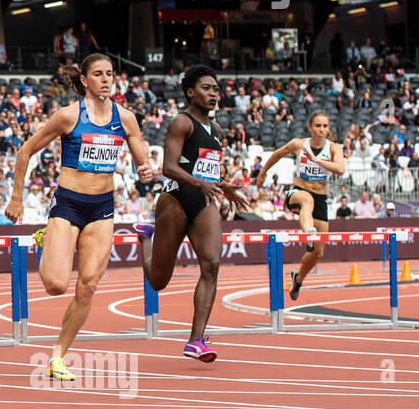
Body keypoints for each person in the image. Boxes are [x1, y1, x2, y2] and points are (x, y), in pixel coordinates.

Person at [4, 53, 154, 381]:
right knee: (57, 285)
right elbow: (25, 150)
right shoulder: (68, 116)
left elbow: (141, 160)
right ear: (84, 80)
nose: (105, 79)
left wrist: (144, 169)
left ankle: (57, 356)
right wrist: (16, 197)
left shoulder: (125, 117)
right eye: (98, 74)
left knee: (88, 287)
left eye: (110, 74)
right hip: (69, 205)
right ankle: (47, 238)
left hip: (102, 208)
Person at [134, 66, 249, 361]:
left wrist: (223, 186)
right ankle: (146, 239)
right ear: (190, 92)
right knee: (159, 282)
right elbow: (168, 168)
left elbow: (205, 169)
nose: (213, 93)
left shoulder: (217, 130)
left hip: (204, 201)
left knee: (211, 264)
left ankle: (196, 340)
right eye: (207, 88)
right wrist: (201, 183)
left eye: (216, 89)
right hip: (175, 199)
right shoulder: (181, 123)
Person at [255, 110, 346, 301]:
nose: (321, 130)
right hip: (297, 193)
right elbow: (278, 154)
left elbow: (340, 169)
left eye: (324, 126)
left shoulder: (334, 148)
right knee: (307, 200)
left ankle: (299, 278)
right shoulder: (299, 144)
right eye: (318, 126)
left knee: (318, 252)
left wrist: (317, 161)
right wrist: (263, 172)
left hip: (320, 199)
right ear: (310, 127)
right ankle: (309, 233)